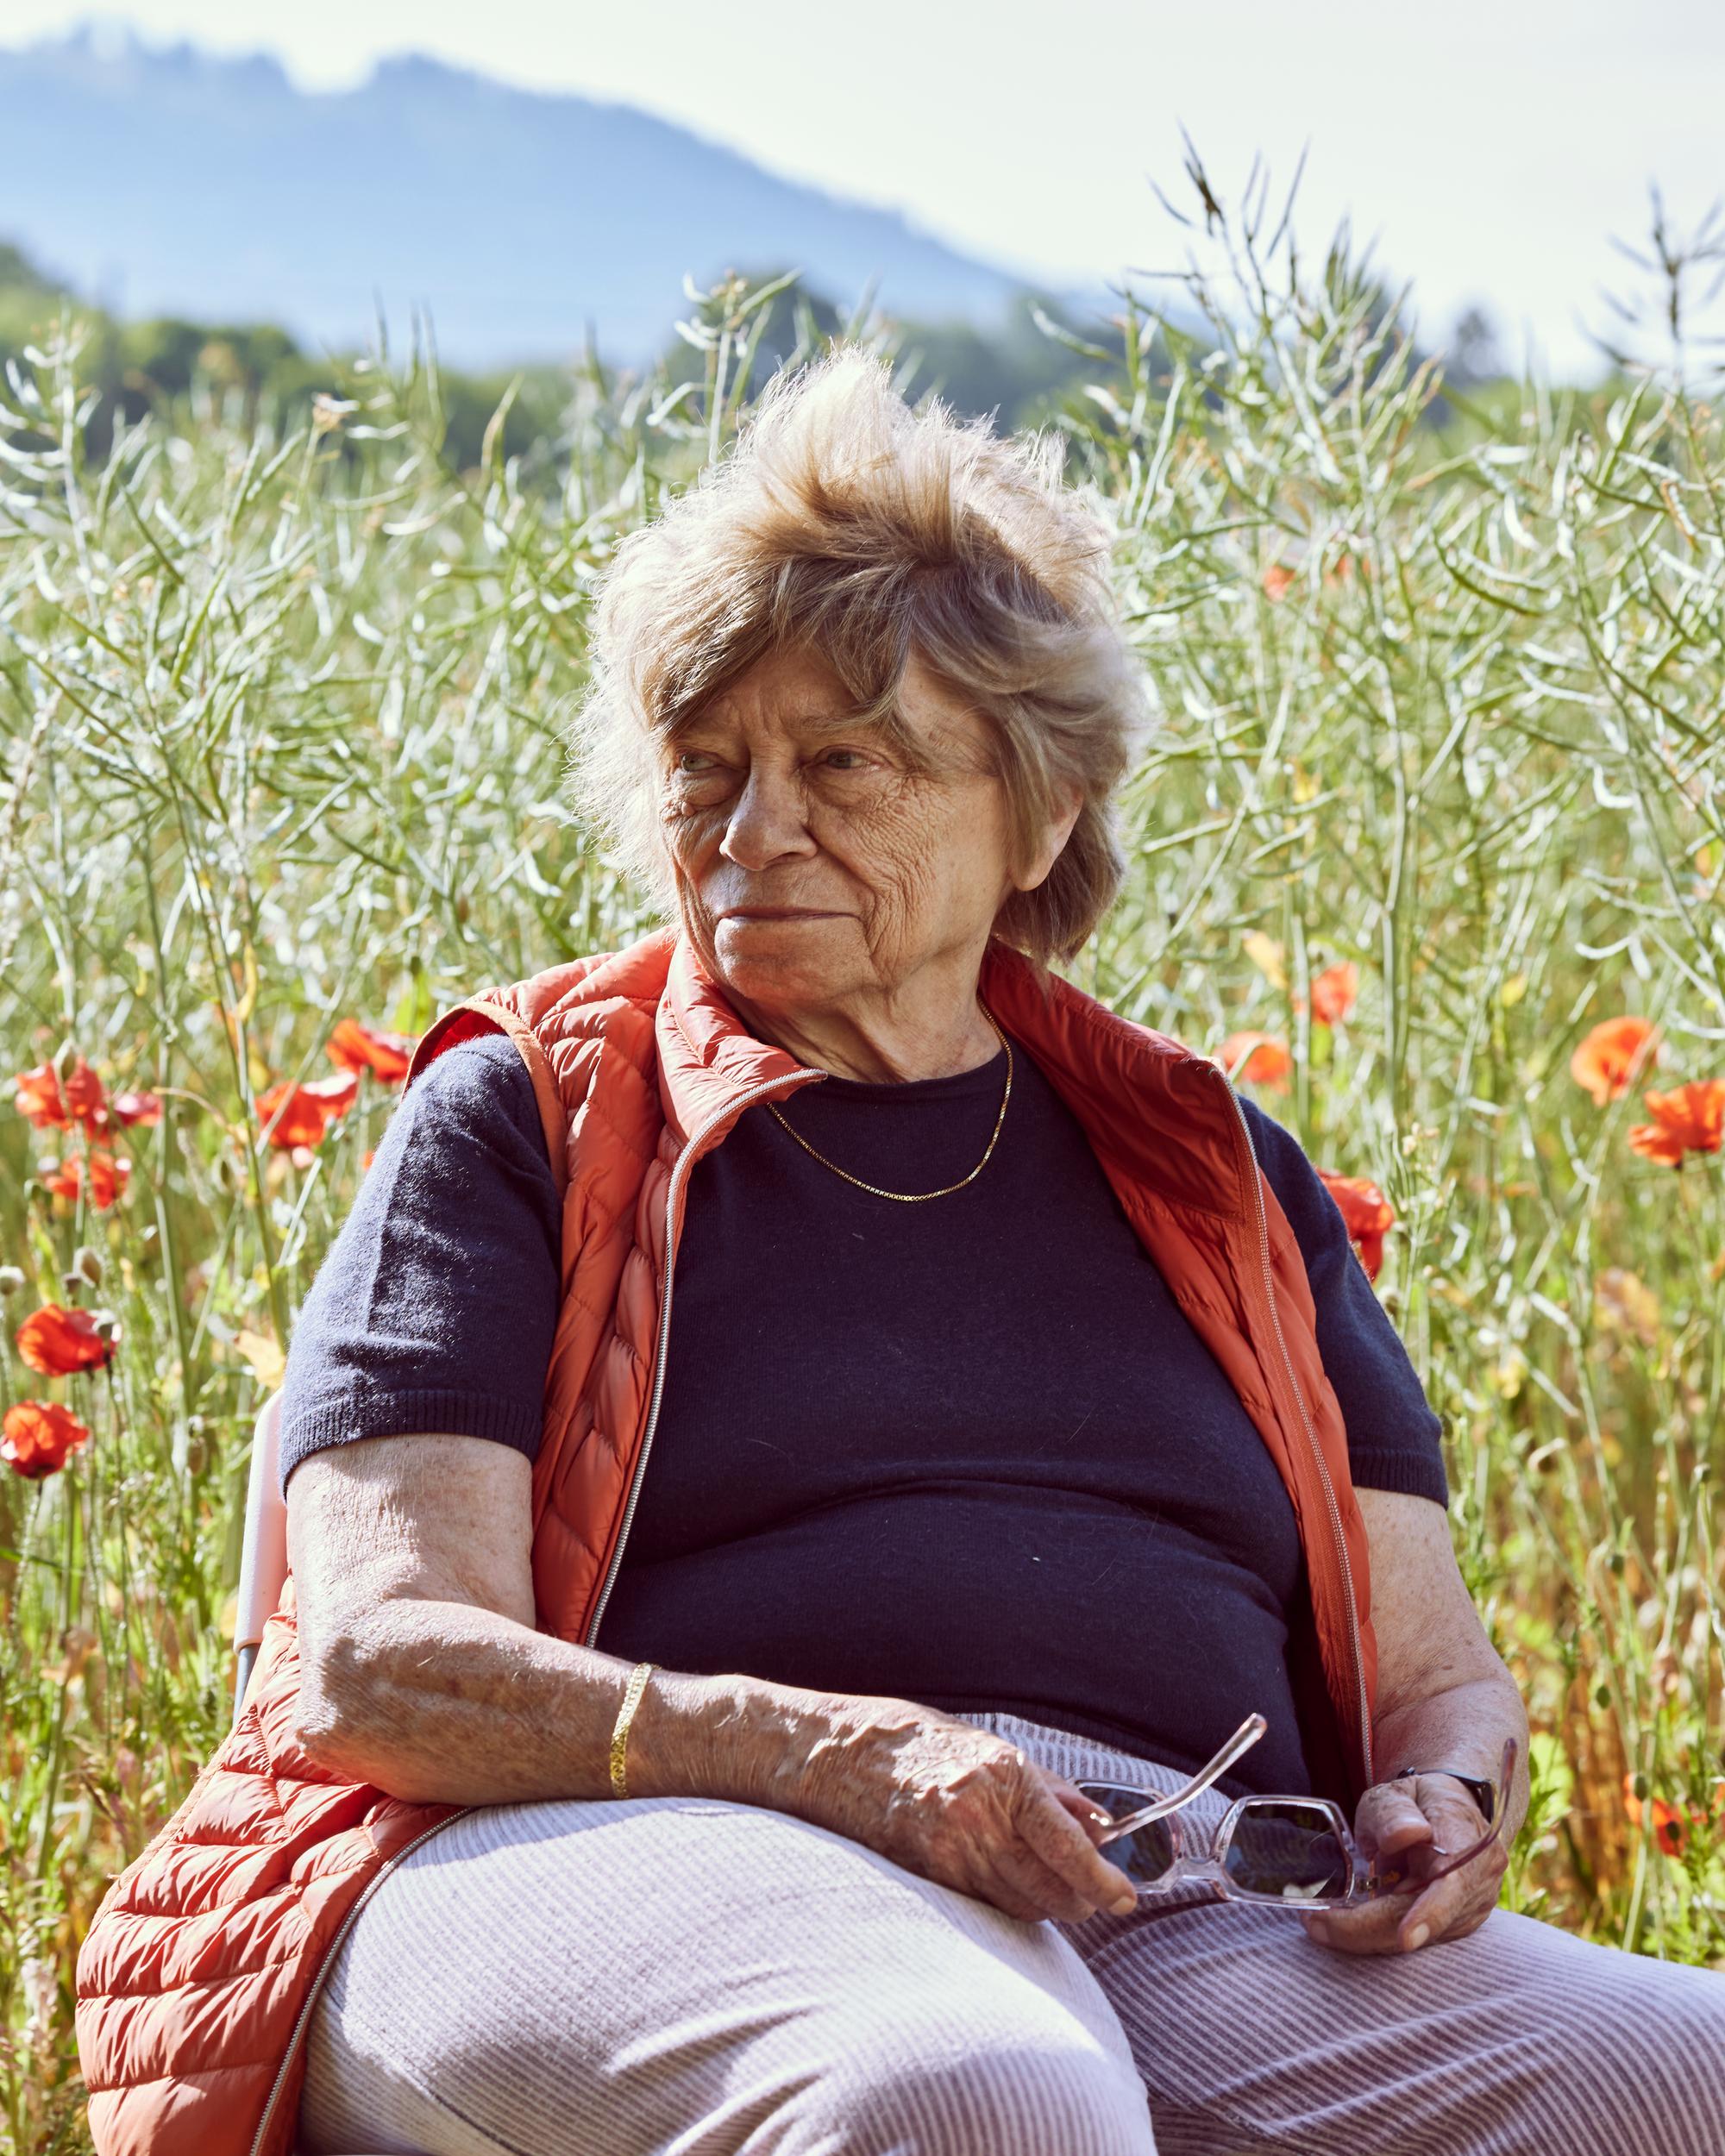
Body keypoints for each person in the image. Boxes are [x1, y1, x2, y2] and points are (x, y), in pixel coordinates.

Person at [75, 348, 1724, 2156]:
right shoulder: (529, 1118)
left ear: (1037, 812)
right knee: (976, 2090)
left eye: (842, 762)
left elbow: (1439, 1674)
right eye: (708, 764)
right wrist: (843, 1752)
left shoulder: (1215, 1171)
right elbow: (379, 1668)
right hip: (620, 1842)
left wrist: (1448, 1793)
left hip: (1159, 1888)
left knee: (1681, 2071)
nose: (750, 828)